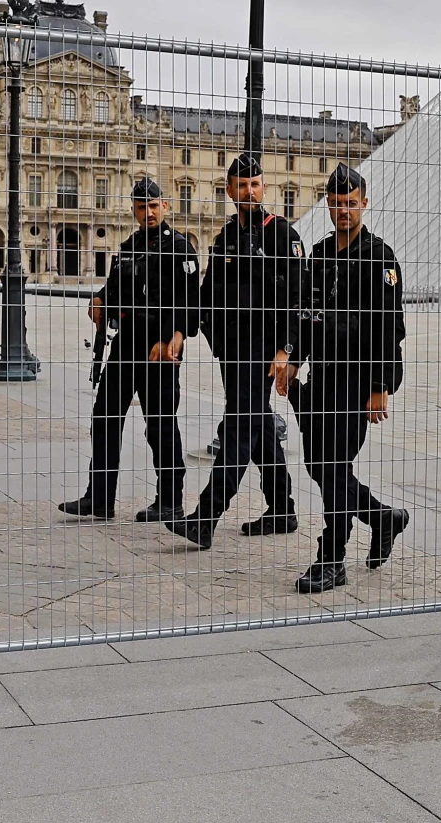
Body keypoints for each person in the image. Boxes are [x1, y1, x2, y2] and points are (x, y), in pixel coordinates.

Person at [276, 164, 410, 593]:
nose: (343, 211)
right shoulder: (318, 255)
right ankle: (382, 517)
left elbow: (389, 328)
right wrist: (293, 357)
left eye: (350, 204)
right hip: (322, 376)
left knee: (333, 466)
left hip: (357, 380)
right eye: (335, 204)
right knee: (319, 465)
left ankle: (332, 558)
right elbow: (306, 315)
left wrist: (380, 385)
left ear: (364, 203)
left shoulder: (379, 257)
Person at [166, 151, 302, 550]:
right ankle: (282, 509)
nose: (249, 191)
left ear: (264, 187)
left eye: (255, 184)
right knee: (258, 427)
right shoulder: (225, 237)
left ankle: (205, 518)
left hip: (264, 351)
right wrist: (207, 337)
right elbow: (208, 296)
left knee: (240, 426)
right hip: (234, 350)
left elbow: (297, 298)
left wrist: (286, 350)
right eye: (242, 185)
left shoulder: (282, 234)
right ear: (229, 190)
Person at [60, 177, 200, 522]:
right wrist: (99, 299)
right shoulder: (128, 246)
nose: (148, 213)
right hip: (126, 346)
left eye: (153, 206)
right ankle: (99, 498)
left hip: (159, 349)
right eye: (141, 207)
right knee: (104, 417)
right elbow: (114, 287)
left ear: (164, 205)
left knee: (160, 426)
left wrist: (175, 337)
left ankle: (170, 501)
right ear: (133, 210)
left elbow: (191, 301)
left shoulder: (180, 247)